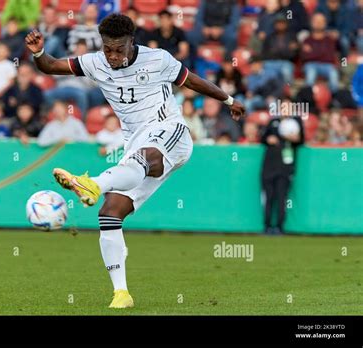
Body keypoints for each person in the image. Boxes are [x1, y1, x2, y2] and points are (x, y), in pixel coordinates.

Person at [25, 13, 245, 309]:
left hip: (171, 131)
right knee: (110, 213)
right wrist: (38, 51)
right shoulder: (95, 62)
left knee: (143, 159)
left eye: (119, 49)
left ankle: (92, 184)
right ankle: (121, 294)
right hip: (135, 143)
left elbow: (191, 80)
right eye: (107, 49)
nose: (113, 56)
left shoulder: (159, 59)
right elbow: (50, 66)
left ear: (132, 42)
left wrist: (228, 101)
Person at [260, 99, 304, 235]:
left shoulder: (296, 123)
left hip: (285, 168)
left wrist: (294, 138)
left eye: (289, 107)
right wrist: (269, 139)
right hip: (269, 166)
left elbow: (301, 139)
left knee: (281, 198)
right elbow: (263, 138)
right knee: (269, 197)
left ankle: (279, 227)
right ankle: (267, 226)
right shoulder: (273, 122)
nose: (286, 110)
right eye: (283, 107)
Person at [301, 13, 340, 93]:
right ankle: (308, 97)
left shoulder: (330, 39)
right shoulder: (307, 40)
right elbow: (305, 57)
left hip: (327, 65)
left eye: (321, 21)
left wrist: (313, 52)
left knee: (333, 73)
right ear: (311, 23)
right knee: (311, 72)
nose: (318, 23)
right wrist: (321, 53)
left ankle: (334, 98)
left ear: (325, 23)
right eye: (316, 21)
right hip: (311, 65)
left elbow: (330, 57)